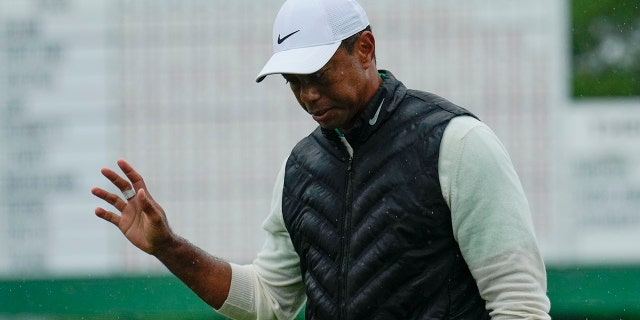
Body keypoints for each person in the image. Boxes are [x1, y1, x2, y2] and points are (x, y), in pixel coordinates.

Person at [91, 0, 551, 318]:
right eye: (292, 80)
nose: (307, 93)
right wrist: (170, 247)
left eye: (319, 72)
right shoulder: (300, 169)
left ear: (365, 48)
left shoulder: (459, 144)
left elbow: (520, 308)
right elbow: (268, 303)